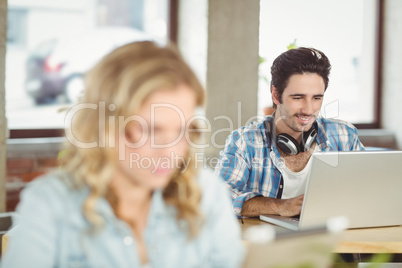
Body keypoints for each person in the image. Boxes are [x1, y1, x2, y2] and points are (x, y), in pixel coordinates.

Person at [2, 41, 244, 267]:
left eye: (183, 131)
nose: (170, 152)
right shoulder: (51, 203)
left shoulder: (207, 194)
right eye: (149, 130)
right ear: (104, 126)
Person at [215, 47, 365, 218]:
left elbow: (367, 189)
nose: (309, 110)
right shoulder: (245, 141)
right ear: (276, 95)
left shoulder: (344, 135)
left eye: (317, 98)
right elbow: (218, 198)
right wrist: (279, 206)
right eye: (298, 97)